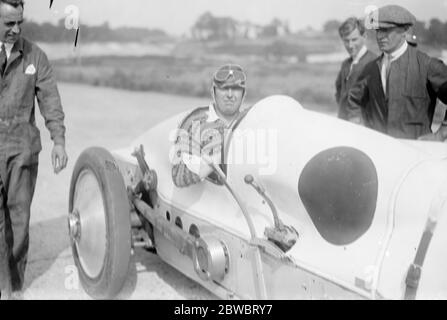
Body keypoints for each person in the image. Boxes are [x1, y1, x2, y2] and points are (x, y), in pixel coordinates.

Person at [0, 0, 68, 299]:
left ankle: (13, 287)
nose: (15, 29)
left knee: (18, 220)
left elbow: (50, 100)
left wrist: (59, 140)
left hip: (22, 149)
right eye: (8, 24)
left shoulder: (35, 56)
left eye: (19, 22)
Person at [347, 5, 447, 140]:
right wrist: (359, 129)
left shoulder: (427, 65)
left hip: (416, 153)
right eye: (378, 30)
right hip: (379, 151)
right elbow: (354, 101)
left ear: (404, 32)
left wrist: (441, 134)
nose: (380, 36)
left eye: (386, 30)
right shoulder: (370, 69)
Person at [172, 64, 246, 187]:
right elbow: (179, 176)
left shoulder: (249, 122)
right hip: (211, 200)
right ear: (213, 92)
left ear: (243, 94)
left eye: (236, 89)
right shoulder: (195, 121)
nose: (229, 94)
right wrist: (223, 153)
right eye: (224, 88)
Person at [335, 17, 377, 120]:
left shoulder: (374, 62)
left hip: (363, 128)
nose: (350, 45)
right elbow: (339, 93)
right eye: (346, 41)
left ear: (364, 36)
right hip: (344, 124)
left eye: (354, 40)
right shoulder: (345, 64)